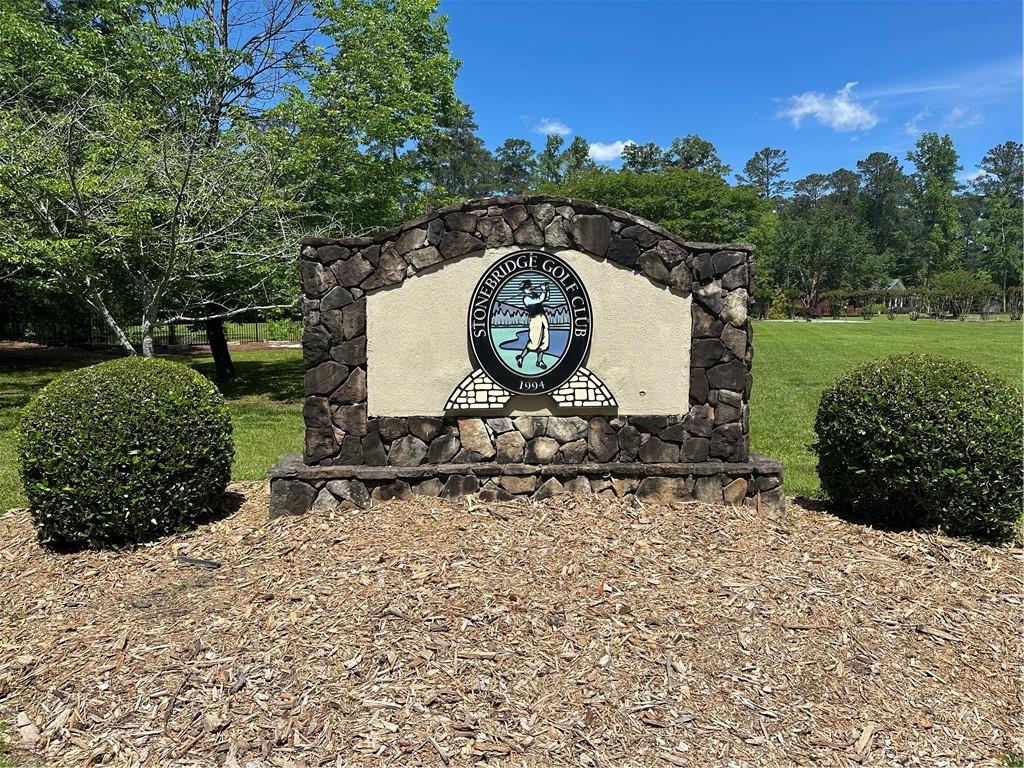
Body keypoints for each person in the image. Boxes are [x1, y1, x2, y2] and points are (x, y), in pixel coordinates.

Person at [515, 279, 550, 369]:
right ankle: (521, 357)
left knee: (544, 341)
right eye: (527, 287)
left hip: (542, 317)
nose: (529, 288)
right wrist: (543, 290)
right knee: (534, 342)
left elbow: (546, 298)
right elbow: (539, 300)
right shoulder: (526, 299)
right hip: (535, 320)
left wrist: (547, 289)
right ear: (523, 289)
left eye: (530, 286)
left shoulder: (534, 294)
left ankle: (539, 361)